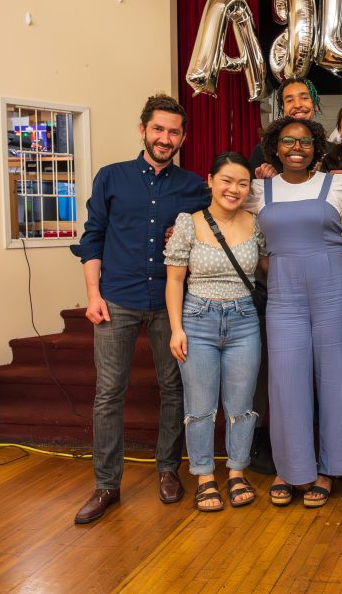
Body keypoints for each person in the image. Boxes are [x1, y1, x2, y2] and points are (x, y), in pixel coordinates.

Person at [70, 93, 209, 524]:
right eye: (158, 129)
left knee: (174, 390)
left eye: (173, 132)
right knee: (109, 394)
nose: (165, 138)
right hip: (117, 299)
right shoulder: (111, 178)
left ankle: (168, 471)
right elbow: (92, 237)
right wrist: (93, 295)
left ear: (182, 137)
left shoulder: (193, 187)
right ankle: (106, 485)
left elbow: (212, 232)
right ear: (143, 130)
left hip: (171, 304)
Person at [244, 116, 342, 508]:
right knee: (286, 381)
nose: (296, 148)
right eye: (287, 141)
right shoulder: (257, 190)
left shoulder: (341, 185)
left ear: (317, 147)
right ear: (275, 147)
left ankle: (331, 468)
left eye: (305, 142)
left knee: (337, 378)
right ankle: (290, 466)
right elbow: (242, 235)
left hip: (334, 290)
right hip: (284, 295)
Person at [164, 152, 261, 511]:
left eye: (242, 183)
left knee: (241, 406)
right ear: (210, 180)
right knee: (201, 407)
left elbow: (267, 268)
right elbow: (175, 280)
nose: (233, 189)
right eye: (227, 180)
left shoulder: (256, 222)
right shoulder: (187, 224)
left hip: (244, 320)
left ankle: (237, 472)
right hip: (198, 319)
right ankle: (205, 476)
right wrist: (177, 328)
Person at [249, 77, 322, 174]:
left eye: (304, 98)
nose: (297, 105)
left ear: (315, 105)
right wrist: (267, 181)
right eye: (289, 100)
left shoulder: (330, 152)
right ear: (283, 109)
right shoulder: (262, 152)